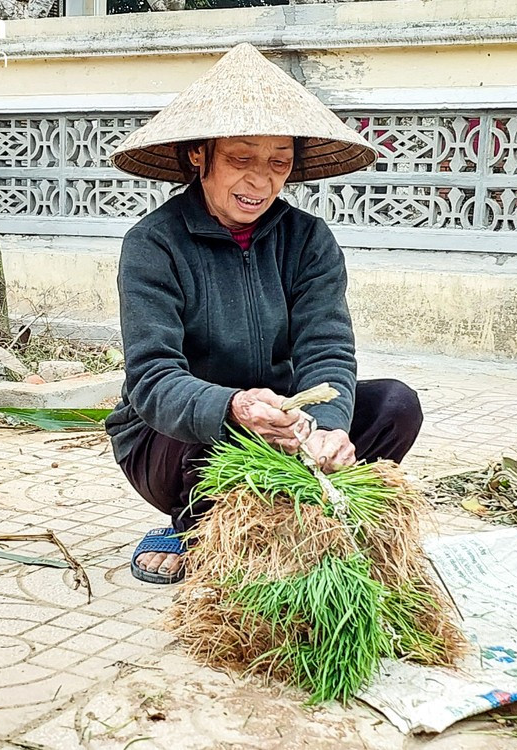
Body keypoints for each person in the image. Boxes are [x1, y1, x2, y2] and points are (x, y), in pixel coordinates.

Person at [107, 43, 424, 584]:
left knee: (396, 404)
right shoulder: (152, 245)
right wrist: (233, 406)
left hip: (285, 423)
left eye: (278, 162)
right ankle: (191, 528)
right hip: (175, 440)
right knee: (203, 434)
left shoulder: (308, 240)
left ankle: (291, 518)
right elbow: (153, 378)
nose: (260, 181)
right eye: (241, 159)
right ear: (198, 155)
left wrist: (326, 428)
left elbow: (326, 349)